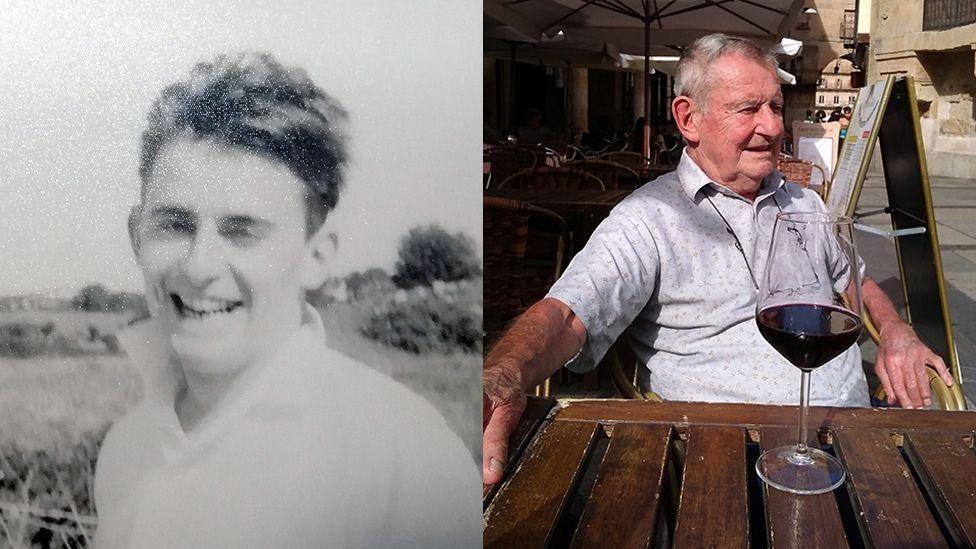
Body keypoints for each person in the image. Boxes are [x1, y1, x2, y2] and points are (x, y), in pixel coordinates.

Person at [482, 34, 954, 485]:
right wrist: (504, 374)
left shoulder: (804, 203)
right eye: (748, 109)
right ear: (688, 119)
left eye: (774, 106)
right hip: (729, 450)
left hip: (854, 433)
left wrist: (895, 333)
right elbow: (568, 314)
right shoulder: (649, 218)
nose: (772, 126)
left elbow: (854, 279)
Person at [94, 52, 478, 547]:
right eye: (173, 225)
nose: (199, 267)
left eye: (242, 231)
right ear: (135, 236)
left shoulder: (405, 459)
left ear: (318, 255)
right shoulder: (125, 449)